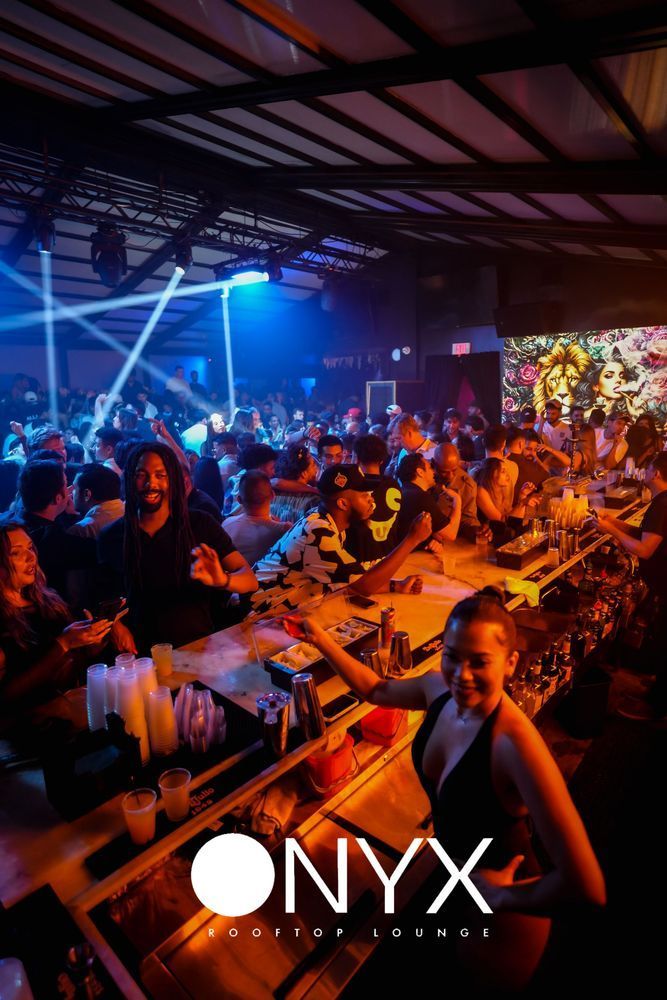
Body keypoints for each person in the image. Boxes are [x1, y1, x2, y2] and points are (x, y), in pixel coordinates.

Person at [300, 589, 605, 992]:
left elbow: (587, 888)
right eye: (452, 656)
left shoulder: (516, 745)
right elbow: (375, 690)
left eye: (479, 662)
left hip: (505, 910)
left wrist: (501, 899)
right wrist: (318, 637)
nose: (461, 675)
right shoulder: (435, 690)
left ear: (511, 663)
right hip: (456, 878)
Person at [97, 443, 257, 652]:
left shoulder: (200, 523)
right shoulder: (112, 536)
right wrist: (114, 626)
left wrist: (222, 579)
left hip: (197, 648)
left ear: (172, 480)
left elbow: (250, 580)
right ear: (129, 479)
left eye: (160, 475)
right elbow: (102, 597)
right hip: (139, 655)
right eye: (141, 474)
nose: (150, 483)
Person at [249, 464, 431, 616]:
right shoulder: (318, 533)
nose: (372, 501)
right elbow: (364, 586)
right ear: (343, 503)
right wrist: (412, 539)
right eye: (364, 495)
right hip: (255, 618)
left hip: (278, 615)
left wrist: (395, 585)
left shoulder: (328, 521)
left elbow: (348, 580)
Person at [0, 520, 113, 737]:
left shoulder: (46, 600)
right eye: (16, 553)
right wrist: (63, 643)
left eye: (30, 547)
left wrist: (94, 639)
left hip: (76, 718)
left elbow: (76, 660)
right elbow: (5, 696)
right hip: (32, 735)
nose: (31, 557)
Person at [592, 453, 667, 720]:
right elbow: (644, 534)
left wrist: (610, 532)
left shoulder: (662, 503)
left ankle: (656, 708)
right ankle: (658, 690)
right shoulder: (661, 501)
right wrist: (612, 523)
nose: (644, 473)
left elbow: (645, 550)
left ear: (655, 473)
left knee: (663, 642)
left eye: (647, 469)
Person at [16, 460, 97, 602]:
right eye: (66, 485)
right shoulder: (52, 539)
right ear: (58, 498)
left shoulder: (12, 525)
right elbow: (96, 550)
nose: (70, 490)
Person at [346, 433, 401, 561]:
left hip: (355, 562)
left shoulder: (350, 486)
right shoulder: (393, 485)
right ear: (381, 461)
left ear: (356, 458)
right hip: (388, 560)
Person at [223, 471, 292, 567]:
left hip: (235, 580)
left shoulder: (226, 524)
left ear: (239, 500)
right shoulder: (285, 530)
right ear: (273, 495)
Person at [396, 453, 461, 551]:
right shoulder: (420, 497)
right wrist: (457, 501)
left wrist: (432, 540)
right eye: (430, 467)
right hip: (409, 560)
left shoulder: (403, 491)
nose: (434, 471)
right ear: (420, 472)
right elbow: (451, 534)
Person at [472, 458, 540, 543]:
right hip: (485, 540)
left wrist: (523, 496)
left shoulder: (502, 490)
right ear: (491, 474)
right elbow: (501, 522)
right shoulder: (481, 491)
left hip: (501, 538)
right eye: (503, 471)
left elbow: (514, 522)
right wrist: (522, 503)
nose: (508, 475)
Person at [432, 442, 486, 542]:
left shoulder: (467, 484)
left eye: (454, 470)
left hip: (448, 541)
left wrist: (476, 531)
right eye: (444, 472)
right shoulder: (424, 474)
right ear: (434, 463)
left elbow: (467, 518)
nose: (450, 476)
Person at [69, 464, 125, 538]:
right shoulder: (130, 513)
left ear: (86, 494)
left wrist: (69, 519)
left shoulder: (82, 529)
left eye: (75, 488)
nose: (70, 491)